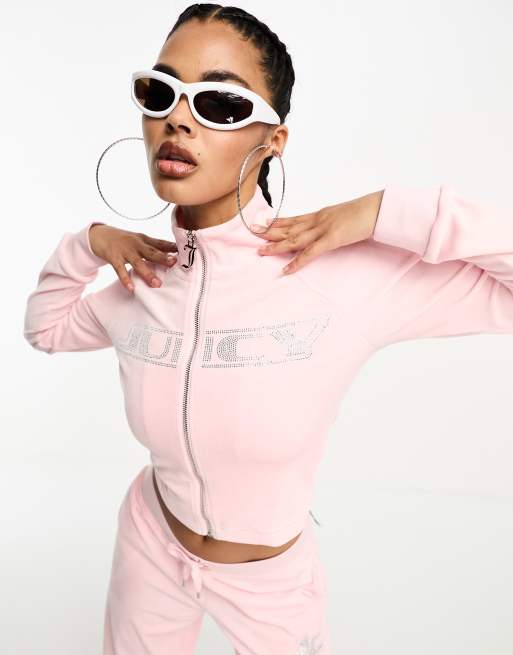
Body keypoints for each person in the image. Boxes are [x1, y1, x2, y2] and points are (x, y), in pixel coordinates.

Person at [22, 4, 513, 655]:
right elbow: (45, 329)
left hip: (270, 583)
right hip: (149, 542)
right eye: (160, 92)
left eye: (219, 103)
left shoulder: (335, 278)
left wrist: (382, 212)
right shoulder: (143, 281)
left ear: (273, 140)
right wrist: (89, 242)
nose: (177, 119)